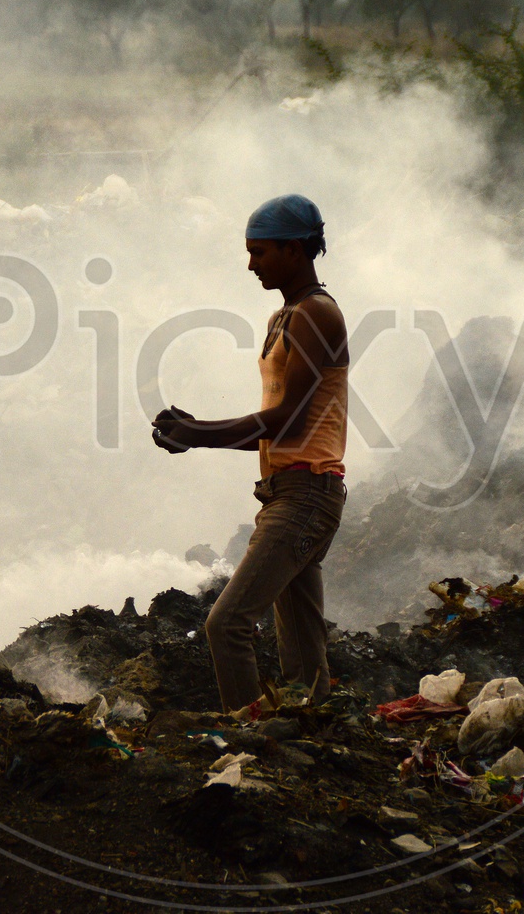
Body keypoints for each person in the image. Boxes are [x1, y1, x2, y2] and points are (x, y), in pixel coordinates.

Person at [151, 193, 349, 712]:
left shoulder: (316, 315)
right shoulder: (282, 318)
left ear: (295, 249)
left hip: (306, 494)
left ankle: (249, 742)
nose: (251, 263)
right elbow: (274, 427)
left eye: (260, 252)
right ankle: (310, 742)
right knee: (304, 654)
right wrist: (195, 429)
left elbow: (288, 422)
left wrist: (197, 434)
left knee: (228, 624)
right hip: (287, 490)